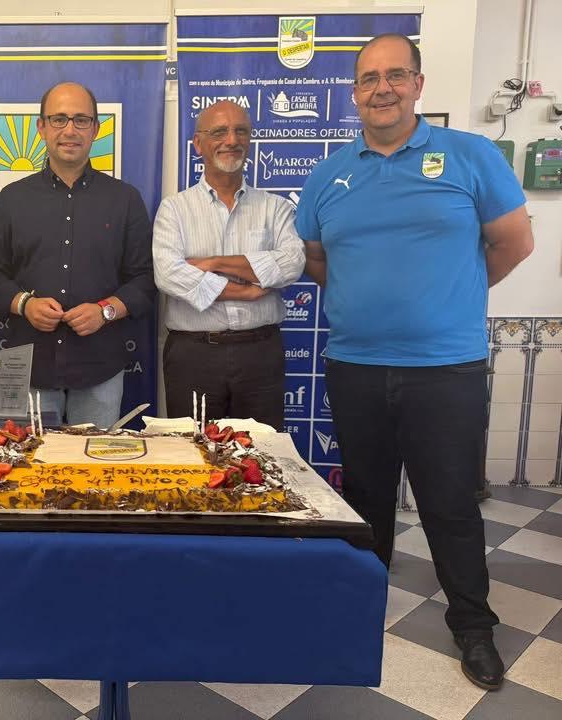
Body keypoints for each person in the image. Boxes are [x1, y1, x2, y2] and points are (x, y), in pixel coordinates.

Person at [295, 34, 534, 690]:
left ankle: (473, 625)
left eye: (396, 75)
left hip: (446, 369)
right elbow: (317, 259)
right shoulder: (328, 174)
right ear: (354, 93)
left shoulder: (471, 155)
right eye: (369, 78)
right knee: (366, 498)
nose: (383, 89)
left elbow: (514, 243)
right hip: (355, 366)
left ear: (418, 85)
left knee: (450, 502)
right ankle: (361, 605)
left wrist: (448, 298)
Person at [0, 82, 155, 428]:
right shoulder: (12, 199)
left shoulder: (125, 199)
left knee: (93, 462)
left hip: (100, 367)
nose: (70, 130)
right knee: (23, 461)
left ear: (96, 129)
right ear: (41, 127)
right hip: (27, 365)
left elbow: (145, 280)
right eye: (59, 119)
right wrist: (24, 304)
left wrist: (105, 311)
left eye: (81, 120)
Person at [153, 100, 305, 428]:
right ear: (198, 144)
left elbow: (292, 263)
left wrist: (214, 262)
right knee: (192, 452)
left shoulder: (275, 208)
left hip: (260, 354)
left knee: (262, 451)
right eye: (219, 132)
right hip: (194, 355)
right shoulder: (174, 209)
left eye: (241, 131)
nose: (232, 140)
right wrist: (243, 290)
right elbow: (168, 274)